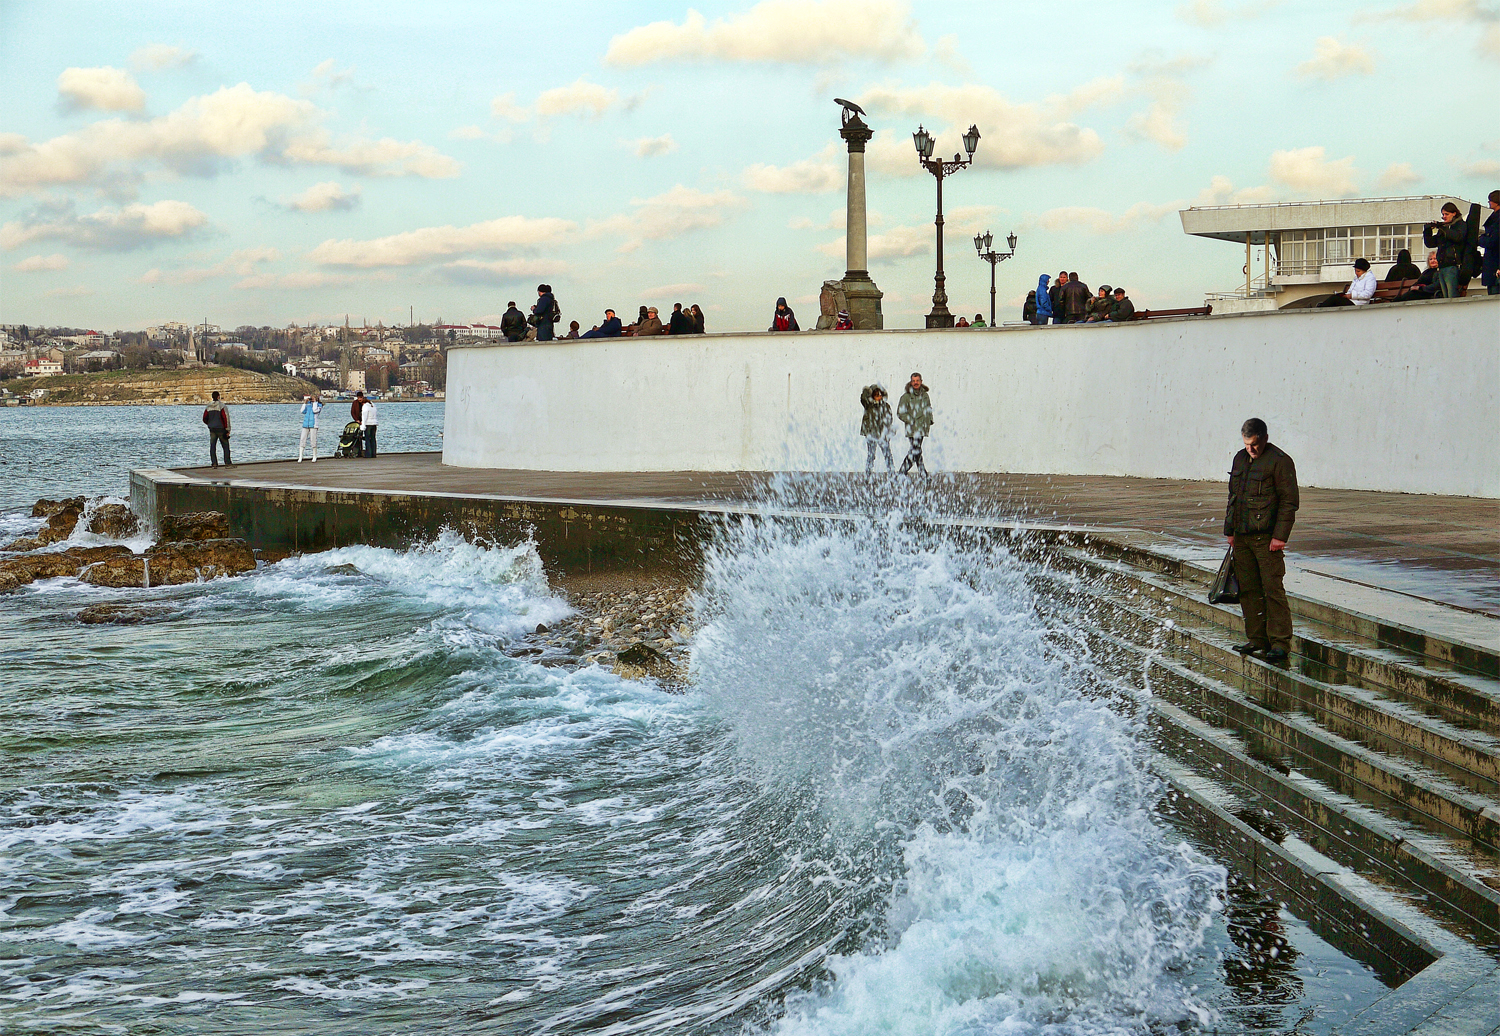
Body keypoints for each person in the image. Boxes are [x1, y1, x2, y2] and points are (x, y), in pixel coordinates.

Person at [1225, 417, 1299, 665]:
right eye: (1247, 445)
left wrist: (1280, 536)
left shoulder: (1280, 461)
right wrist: (1230, 530)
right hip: (1243, 536)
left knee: (1272, 589)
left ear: (1265, 439)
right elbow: (1233, 496)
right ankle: (1257, 639)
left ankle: (1279, 642)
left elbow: (1289, 502)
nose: (1251, 450)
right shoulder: (1239, 458)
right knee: (1248, 589)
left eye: (1255, 445)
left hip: (1266, 538)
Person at [1422, 202, 1467, 298]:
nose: (1444, 217)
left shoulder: (1460, 225)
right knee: (1446, 297)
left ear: (1454, 213)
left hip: (1453, 266)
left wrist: (1441, 227)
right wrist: (1427, 231)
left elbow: (1457, 237)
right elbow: (1431, 243)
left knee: (1452, 296)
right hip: (1442, 266)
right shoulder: (1445, 228)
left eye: (1446, 214)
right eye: (1443, 214)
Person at [896, 372, 932, 476]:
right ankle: (903, 472)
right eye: (913, 381)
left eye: (917, 380)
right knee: (916, 450)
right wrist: (912, 420)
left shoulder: (925, 395)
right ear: (911, 382)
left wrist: (929, 421)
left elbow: (928, 408)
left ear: (921, 381)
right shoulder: (906, 397)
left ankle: (922, 473)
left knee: (917, 451)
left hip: (922, 428)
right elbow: (900, 412)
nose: (915, 383)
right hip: (912, 429)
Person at [860, 384, 894, 473]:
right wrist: (867, 390)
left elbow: (889, 419)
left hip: (882, 434)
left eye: (879, 395)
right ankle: (868, 474)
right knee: (871, 456)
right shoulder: (869, 406)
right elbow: (863, 399)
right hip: (871, 434)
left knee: (888, 455)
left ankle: (892, 474)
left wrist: (887, 431)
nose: (878, 397)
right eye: (876, 395)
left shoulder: (886, 406)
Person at [202, 391, 231, 467]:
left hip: (212, 429)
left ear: (212, 397)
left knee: (212, 447)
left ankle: (214, 463)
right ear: (218, 397)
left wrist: (209, 423)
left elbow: (204, 418)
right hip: (221, 429)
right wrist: (228, 429)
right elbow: (226, 418)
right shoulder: (222, 406)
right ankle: (227, 463)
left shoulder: (208, 407)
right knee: (225, 446)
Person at [1481, 190, 1500, 295]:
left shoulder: (1496, 219)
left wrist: (1481, 240)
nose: (1489, 202)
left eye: (1491, 199)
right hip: (1493, 264)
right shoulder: (1494, 218)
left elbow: (1493, 241)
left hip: (1494, 264)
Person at [298, 394, 322, 462]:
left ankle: (314, 456)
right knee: (302, 439)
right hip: (305, 424)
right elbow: (302, 411)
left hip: (313, 425)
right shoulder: (308, 405)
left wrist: (314, 403)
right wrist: (305, 403)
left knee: (313, 440)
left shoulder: (319, 405)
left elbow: (315, 410)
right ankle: (300, 456)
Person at [359, 394, 378, 458]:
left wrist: (363, 426)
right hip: (374, 424)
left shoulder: (365, 407)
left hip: (368, 424)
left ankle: (368, 454)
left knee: (367, 439)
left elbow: (364, 417)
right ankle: (374, 453)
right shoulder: (373, 406)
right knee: (373, 439)